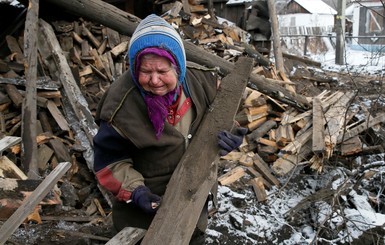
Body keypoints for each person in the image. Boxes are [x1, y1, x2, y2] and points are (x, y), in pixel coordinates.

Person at [93, 14, 246, 243]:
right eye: (145, 71)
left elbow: (222, 117)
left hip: (194, 201)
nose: (154, 81)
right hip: (144, 214)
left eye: (162, 72)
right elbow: (109, 162)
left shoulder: (201, 81)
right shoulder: (120, 106)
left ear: (178, 67)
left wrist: (231, 135)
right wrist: (136, 192)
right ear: (135, 68)